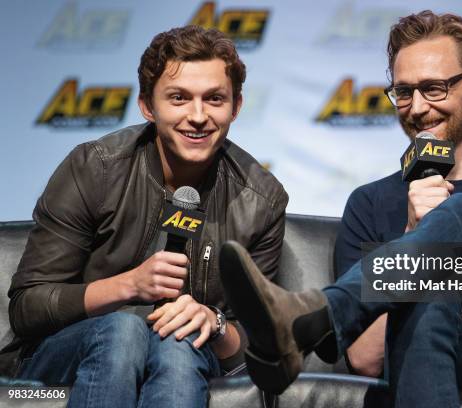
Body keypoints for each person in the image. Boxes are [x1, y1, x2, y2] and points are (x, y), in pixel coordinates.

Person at [217, 11, 462, 408]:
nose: (416, 108)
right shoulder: (369, 204)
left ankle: (319, 317)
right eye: (403, 92)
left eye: (434, 88)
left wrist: (459, 279)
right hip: (435, 371)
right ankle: (321, 317)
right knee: (428, 292)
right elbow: (365, 357)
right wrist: (412, 234)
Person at [0, 26, 288, 408]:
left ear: (235, 106)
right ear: (147, 106)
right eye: (179, 98)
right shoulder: (95, 168)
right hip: (61, 355)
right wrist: (128, 286)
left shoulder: (262, 200)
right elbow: (27, 309)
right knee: (123, 331)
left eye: (214, 99)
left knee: (178, 342)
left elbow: (261, 347)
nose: (198, 116)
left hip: (183, 356)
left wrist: (214, 324)